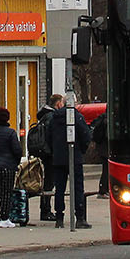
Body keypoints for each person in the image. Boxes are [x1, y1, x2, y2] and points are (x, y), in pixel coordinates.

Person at [47, 94, 92, 228]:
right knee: (78, 188)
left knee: (59, 188)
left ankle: (59, 217)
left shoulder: (54, 118)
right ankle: (79, 217)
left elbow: (48, 137)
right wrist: (81, 150)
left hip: (58, 158)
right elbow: (86, 135)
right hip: (75, 157)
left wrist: (55, 151)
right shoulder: (77, 117)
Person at [0, 107, 22, 228]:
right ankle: (4, 218)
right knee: (6, 192)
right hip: (7, 166)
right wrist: (15, 162)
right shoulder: (11, 133)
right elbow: (17, 150)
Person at [26, 107, 52, 222]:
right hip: (50, 155)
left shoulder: (42, 119)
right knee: (49, 184)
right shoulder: (51, 118)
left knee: (46, 183)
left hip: (44, 154)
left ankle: (45, 209)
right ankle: (46, 210)